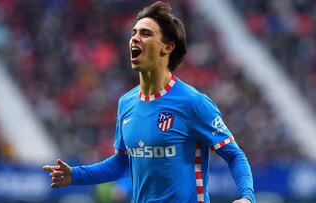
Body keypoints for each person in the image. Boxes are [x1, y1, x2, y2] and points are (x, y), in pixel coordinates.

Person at [43, 1, 255, 203]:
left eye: (145, 33)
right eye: (133, 33)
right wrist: (75, 175)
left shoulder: (193, 103)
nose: (135, 38)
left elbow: (234, 154)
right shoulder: (126, 103)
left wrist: (247, 195)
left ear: (167, 47)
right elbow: (122, 162)